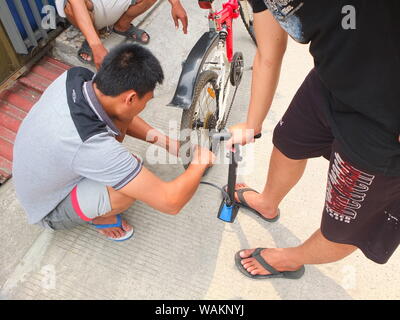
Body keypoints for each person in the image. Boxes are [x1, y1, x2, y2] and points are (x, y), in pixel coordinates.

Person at [228, 0, 400, 279]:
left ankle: (289, 259)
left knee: (345, 222)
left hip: (386, 119)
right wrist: (252, 124)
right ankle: (267, 202)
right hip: (330, 77)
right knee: (289, 142)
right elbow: (268, 53)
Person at [12, 43, 214, 241]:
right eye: (147, 100)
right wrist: (198, 164)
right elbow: (170, 202)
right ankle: (100, 219)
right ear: (131, 98)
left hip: (39, 175)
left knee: (123, 143)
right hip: (49, 209)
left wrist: (170, 144)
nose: (145, 105)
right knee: (125, 191)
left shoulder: (76, 77)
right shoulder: (90, 143)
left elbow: (120, 113)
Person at [55, 0, 188, 68]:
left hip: (115, 5)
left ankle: (122, 26)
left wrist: (175, 3)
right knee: (71, 7)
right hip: (88, 10)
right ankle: (93, 38)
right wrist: (96, 46)